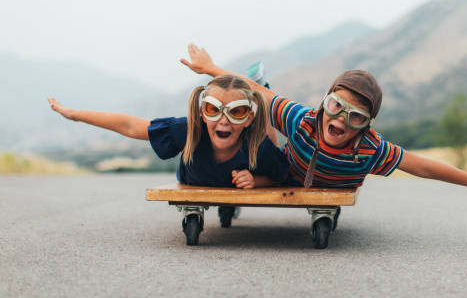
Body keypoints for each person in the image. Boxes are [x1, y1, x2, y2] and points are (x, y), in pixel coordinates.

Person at [181, 44, 467, 189]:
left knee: (266, 105)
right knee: (262, 108)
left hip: (323, 179)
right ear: (325, 103)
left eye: (355, 118)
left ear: (367, 126)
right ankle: (266, 79)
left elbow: (421, 166)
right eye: (336, 107)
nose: (340, 121)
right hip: (287, 169)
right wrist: (210, 69)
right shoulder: (304, 120)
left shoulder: (371, 148)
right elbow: (253, 90)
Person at [48, 74, 288, 190]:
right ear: (202, 113)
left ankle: (261, 92)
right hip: (198, 178)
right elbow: (131, 126)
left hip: (254, 146)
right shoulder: (188, 131)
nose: (223, 121)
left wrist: (256, 180)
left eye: (236, 113)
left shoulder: (258, 148)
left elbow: (282, 175)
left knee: (263, 140)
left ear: (247, 118)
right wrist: (74, 114)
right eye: (214, 110)